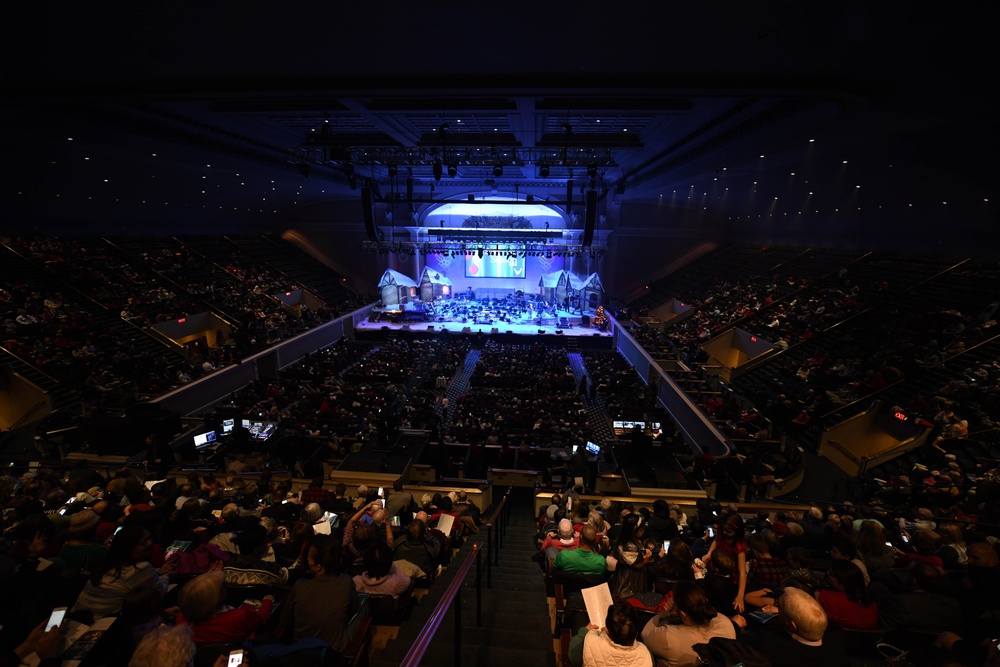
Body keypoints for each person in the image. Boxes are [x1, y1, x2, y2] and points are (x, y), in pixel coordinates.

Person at [277, 534, 360, 653]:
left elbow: (284, 620)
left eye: (309, 557)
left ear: (318, 567)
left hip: (301, 654)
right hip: (334, 653)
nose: (307, 559)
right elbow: (355, 610)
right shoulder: (346, 582)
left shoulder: (300, 586)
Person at [73, 525, 174, 620]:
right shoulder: (141, 568)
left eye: (149, 538)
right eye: (143, 542)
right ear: (128, 548)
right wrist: (166, 576)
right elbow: (159, 591)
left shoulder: (105, 565)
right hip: (103, 626)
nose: (149, 543)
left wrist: (158, 572)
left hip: (78, 619)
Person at [739, 587, 850, 667]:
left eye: (779, 606)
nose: (776, 607)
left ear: (792, 625)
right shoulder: (838, 651)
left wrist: (734, 625)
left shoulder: (766, 642)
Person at [641, 580, 736, 667]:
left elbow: (645, 634)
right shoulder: (725, 623)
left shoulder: (668, 637)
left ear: (683, 614)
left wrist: (663, 613)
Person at [176, 570, 275, 643]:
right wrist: (268, 601)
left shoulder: (181, 620)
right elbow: (260, 619)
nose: (225, 587)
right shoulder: (240, 616)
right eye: (221, 587)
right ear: (215, 598)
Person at [568, 600, 653, 667]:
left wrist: (585, 630)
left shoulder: (589, 644)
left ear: (607, 628)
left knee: (579, 617)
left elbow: (573, 654)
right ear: (636, 633)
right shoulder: (646, 656)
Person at [704, 513, 748, 612]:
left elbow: (742, 572)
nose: (724, 532)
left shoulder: (738, 546)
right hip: (717, 567)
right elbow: (716, 541)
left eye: (728, 532)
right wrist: (709, 553)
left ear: (737, 532)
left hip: (730, 575)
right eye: (723, 530)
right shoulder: (721, 534)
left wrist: (740, 596)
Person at [815, 560, 878, 629]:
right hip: (867, 638)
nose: (827, 573)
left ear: (843, 583)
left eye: (831, 574)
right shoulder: (870, 601)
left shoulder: (826, 597)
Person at [608, 513, 652, 599]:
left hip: (633, 574)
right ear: (633, 531)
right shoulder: (627, 546)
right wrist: (646, 560)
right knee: (628, 598)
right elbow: (637, 565)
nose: (643, 531)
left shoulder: (633, 540)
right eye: (641, 530)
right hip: (629, 577)